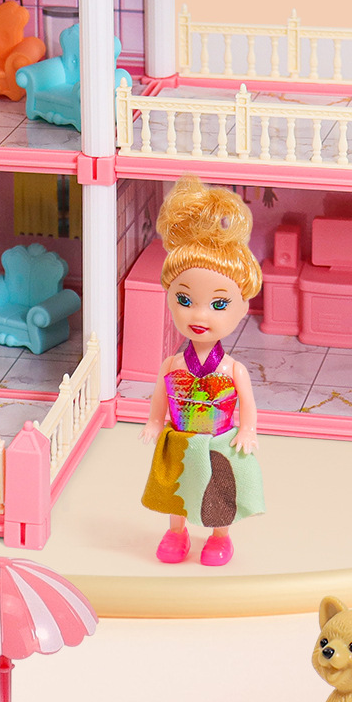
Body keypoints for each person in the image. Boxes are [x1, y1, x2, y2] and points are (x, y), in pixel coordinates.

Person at [141, 179, 264, 566]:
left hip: (218, 440)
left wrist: (247, 430)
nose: (199, 315)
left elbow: (247, 404)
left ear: (242, 308)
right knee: (177, 490)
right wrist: (154, 421)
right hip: (180, 438)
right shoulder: (173, 365)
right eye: (185, 299)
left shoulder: (232, 369)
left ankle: (219, 537)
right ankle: (176, 532)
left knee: (219, 491)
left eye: (218, 304)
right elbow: (160, 396)